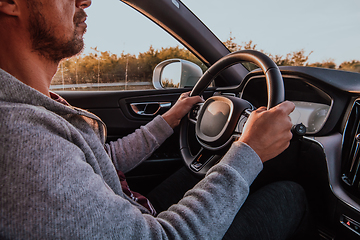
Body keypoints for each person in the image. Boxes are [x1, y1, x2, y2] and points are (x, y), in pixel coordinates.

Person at [0, 0, 311, 239]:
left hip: (133, 212)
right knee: (290, 195)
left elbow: (104, 160)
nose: (86, 1)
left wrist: (170, 118)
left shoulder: (38, 106)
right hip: (154, 227)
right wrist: (250, 151)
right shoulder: (21, 138)